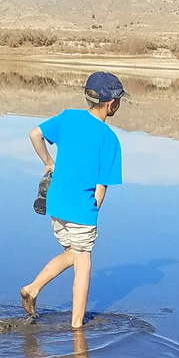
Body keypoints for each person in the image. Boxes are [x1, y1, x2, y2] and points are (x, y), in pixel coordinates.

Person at [20, 71, 127, 328]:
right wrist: (93, 212)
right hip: (81, 208)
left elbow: (35, 134)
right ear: (111, 104)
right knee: (84, 263)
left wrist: (48, 162)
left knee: (73, 253)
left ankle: (32, 289)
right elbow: (101, 187)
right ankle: (77, 326)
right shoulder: (110, 139)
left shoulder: (68, 118)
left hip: (55, 204)